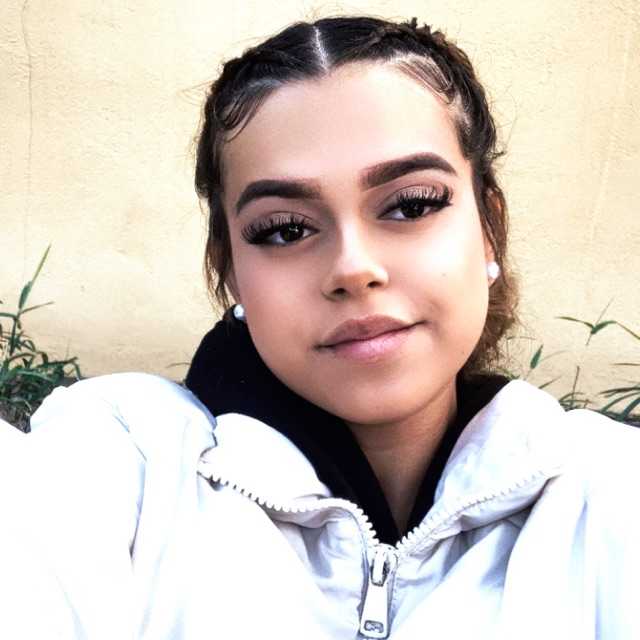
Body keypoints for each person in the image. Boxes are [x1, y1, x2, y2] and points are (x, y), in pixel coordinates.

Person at [1, 15, 639, 640]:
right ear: (230, 270)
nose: (353, 268)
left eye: (411, 205)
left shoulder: (610, 494)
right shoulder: (125, 465)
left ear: (489, 227)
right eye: (285, 230)